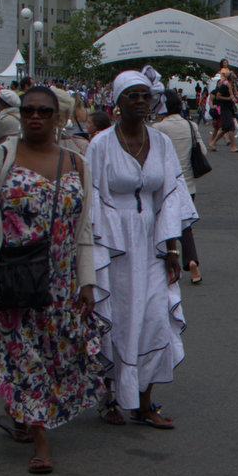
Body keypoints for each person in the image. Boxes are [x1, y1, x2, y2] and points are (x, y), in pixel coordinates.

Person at [0, 85, 105, 473]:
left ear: (59, 118)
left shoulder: (77, 163)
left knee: (54, 352)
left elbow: (84, 228)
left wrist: (87, 281)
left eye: (45, 111)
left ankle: (22, 411)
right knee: (24, 354)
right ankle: (41, 437)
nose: (35, 117)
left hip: (59, 282)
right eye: (28, 110)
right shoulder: (0, 156)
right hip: (10, 275)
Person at [85, 71, 197, 429]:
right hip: (114, 242)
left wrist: (173, 250)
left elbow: (169, 197)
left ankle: (144, 403)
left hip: (152, 240)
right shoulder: (100, 144)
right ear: (117, 102)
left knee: (153, 318)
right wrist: (94, 252)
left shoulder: (161, 142)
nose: (139, 102)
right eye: (131, 95)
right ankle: (110, 398)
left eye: (145, 95)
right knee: (117, 318)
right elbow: (92, 200)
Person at [155, 90, 206, 284]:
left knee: (165, 224)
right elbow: (203, 151)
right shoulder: (191, 125)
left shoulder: (158, 128)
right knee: (185, 224)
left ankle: (170, 261)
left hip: (166, 184)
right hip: (188, 184)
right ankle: (191, 261)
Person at [208, 63, 238, 152]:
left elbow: (234, 96)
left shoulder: (231, 86)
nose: (235, 80)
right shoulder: (224, 86)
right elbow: (218, 96)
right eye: (234, 79)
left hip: (229, 108)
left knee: (225, 129)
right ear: (230, 78)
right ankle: (233, 147)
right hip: (224, 108)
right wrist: (228, 98)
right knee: (231, 127)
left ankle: (213, 143)